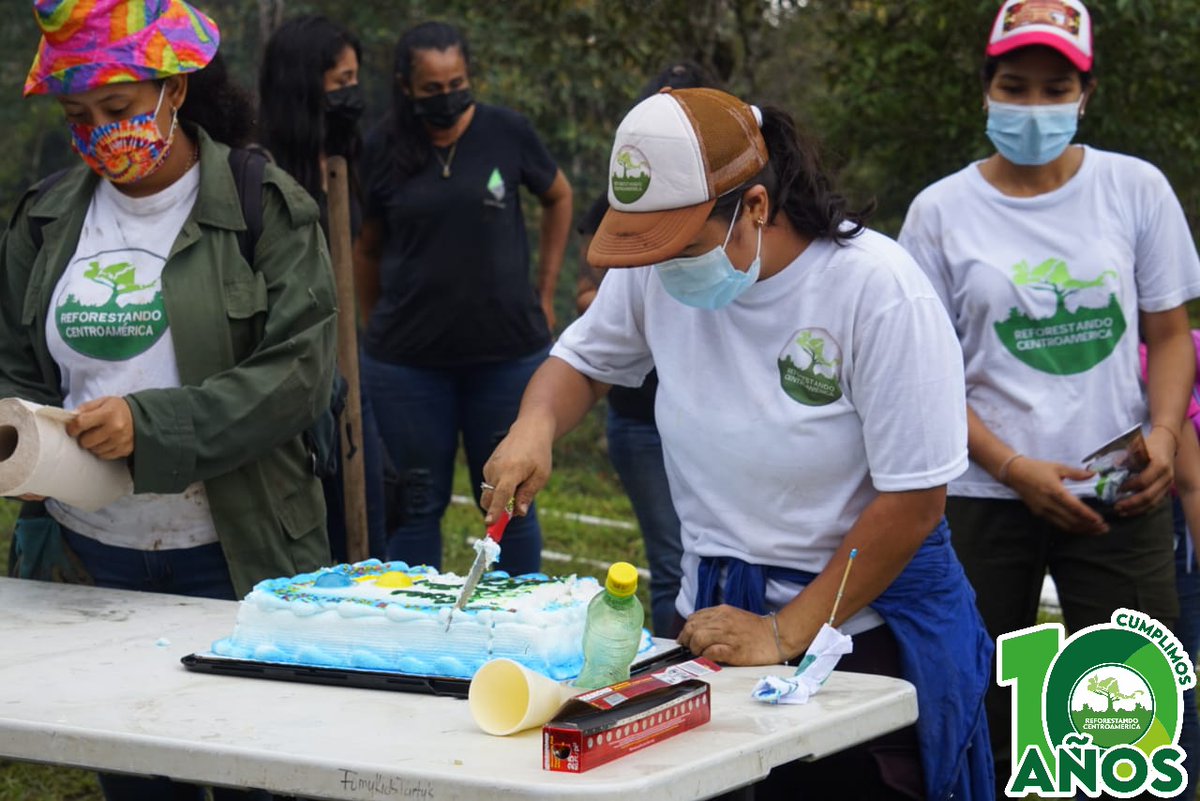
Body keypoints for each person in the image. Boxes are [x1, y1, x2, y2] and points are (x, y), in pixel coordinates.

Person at [482, 87, 994, 800]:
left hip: (858, 632)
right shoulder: (656, 273)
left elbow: (914, 499)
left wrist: (785, 632)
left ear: (754, 207)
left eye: (684, 247)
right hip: (715, 620)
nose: (663, 268)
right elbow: (582, 363)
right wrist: (532, 425)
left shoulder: (877, 292)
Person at [1, 2, 336, 797]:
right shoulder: (47, 220)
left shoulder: (265, 207)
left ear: (175, 89)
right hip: (96, 556)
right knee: (141, 774)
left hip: (238, 554)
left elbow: (299, 375)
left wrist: (152, 425)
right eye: (78, 114)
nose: (99, 131)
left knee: (264, 767)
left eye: (118, 108)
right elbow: (15, 360)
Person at [897, 1, 1200, 791]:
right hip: (981, 494)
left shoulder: (1135, 190)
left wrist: (1164, 434)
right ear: (986, 90)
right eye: (1014, 86)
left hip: (1123, 490)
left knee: (1129, 706)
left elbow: (1169, 334)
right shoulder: (938, 212)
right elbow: (923, 375)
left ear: (1085, 94)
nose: (1033, 107)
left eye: (1054, 88)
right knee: (977, 703)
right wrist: (1012, 465)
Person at [354, 21, 572, 574]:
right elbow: (367, 247)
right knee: (415, 504)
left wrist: (545, 290)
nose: (448, 96)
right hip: (407, 366)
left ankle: (519, 628)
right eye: (433, 88)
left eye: (457, 82)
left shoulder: (508, 132)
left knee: (510, 502)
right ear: (406, 86)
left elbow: (559, 195)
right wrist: (371, 318)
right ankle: (414, 632)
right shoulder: (381, 147)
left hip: (505, 356)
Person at [575, 60, 715, 636]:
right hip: (638, 414)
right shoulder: (627, 211)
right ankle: (670, 674)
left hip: (705, 421)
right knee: (672, 560)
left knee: (706, 560)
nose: (665, 253)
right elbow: (593, 310)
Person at [258, 14, 391, 562]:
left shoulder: (345, 154)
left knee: (367, 513)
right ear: (302, 85)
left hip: (347, 366)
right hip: (293, 370)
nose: (350, 96)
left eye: (354, 82)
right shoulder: (258, 170)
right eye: (339, 84)